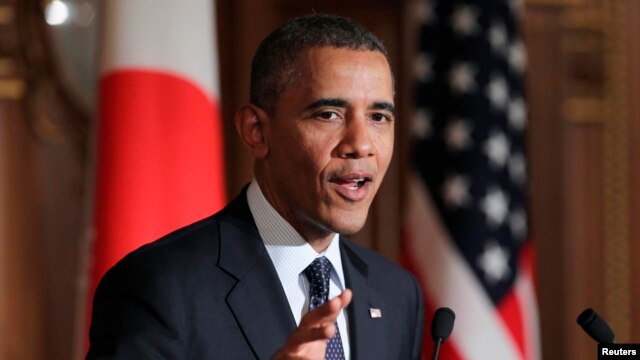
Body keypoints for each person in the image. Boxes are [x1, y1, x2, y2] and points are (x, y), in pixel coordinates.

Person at [87, 14, 424, 359]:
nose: (361, 144)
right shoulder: (160, 286)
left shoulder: (396, 293)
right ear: (256, 130)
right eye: (328, 114)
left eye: (379, 117)